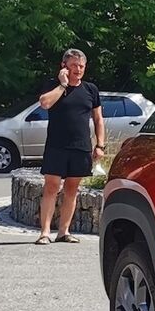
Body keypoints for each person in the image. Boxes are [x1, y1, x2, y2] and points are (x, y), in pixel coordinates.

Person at [34, 48, 103, 244]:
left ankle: (64, 232)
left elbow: (98, 119)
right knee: (51, 187)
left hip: (81, 147)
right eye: (74, 65)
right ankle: (45, 233)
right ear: (64, 66)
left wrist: (100, 145)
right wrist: (63, 84)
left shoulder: (90, 89)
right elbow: (45, 104)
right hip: (56, 146)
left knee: (72, 189)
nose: (78, 69)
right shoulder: (53, 85)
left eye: (81, 66)